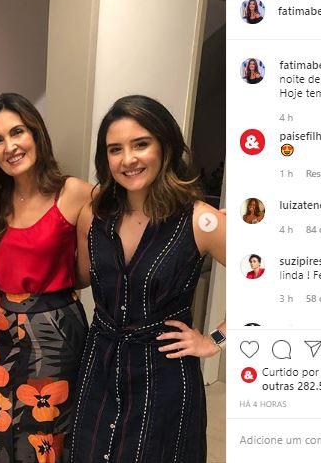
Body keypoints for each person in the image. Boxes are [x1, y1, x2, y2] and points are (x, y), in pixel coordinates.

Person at [71, 95, 226, 463]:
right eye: (115, 149)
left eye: (140, 144)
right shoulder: (93, 216)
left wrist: (215, 340)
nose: (128, 159)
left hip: (165, 375)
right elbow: (79, 278)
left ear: (164, 146)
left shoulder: (200, 220)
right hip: (99, 367)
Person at [0, 93, 92, 462]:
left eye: (17, 132)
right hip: (3, 330)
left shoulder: (75, 193)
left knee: (48, 433)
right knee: (1, 427)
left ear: (35, 132)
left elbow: (86, 273)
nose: (10, 147)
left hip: (56, 333)